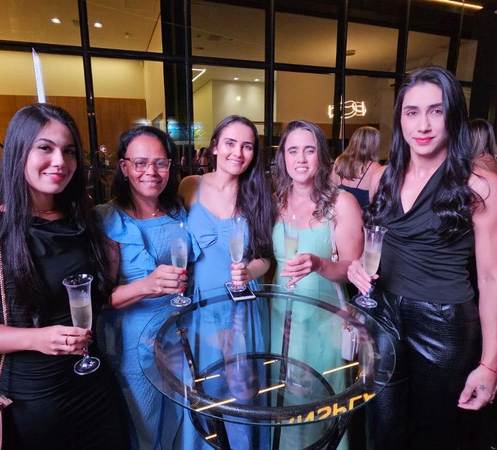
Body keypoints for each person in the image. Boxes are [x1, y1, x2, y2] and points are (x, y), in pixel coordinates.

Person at [0, 103, 129, 450]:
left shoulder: (83, 221)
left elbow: (100, 297)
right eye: (45, 147)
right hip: (32, 400)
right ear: (18, 152)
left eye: (69, 151)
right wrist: (36, 338)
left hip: (95, 388)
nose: (60, 161)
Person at [347, 66, 497, 450]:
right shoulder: (382, 177)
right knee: (381, 430)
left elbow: (494, 277)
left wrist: (490, 364)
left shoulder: (483, 186)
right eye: (412, 112)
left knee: (434, 437)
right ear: (400, 119)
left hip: (443, 325)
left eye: (436, 111)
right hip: (382, 314)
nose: (422, 125)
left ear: (453, 117)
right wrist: (357, 267)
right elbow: (378, 248)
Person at [95, 126, 200, 450]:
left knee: (181, 419)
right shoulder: (108, 218)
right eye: (140, 163)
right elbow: (99, 299)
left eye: (160, 163)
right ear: (124, 167)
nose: (151, 172)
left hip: (179, 335)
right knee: (144, 425)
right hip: (132, 343)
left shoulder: (178, 211)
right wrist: (146, 285)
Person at [178, 115, 276, 449]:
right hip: (200, 305)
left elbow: (265, 258)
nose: (238, 152)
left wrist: (250, 271)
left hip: (241, 306)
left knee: (241, 393)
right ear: (215, 147)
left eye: (247, 146)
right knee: (203, 389)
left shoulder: (259, 195)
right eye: (231, 143)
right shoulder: (189, 185)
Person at [270, 120, 364, 448]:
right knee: (284, 401)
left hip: (324, 319)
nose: (300, 158)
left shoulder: (342, 203)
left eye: (309, 150)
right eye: (293, 150)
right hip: (281, 317)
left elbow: (353, 269)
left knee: (321, 402)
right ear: (282, 157)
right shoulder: (275, 201)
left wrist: (319, 264)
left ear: (321, 157)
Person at [331, 125, 383, 209]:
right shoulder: (375, 167)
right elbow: (376, 204)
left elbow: (332, 191)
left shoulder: (339, 161)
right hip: (363, 216)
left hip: (339, 214)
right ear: (374, 145)